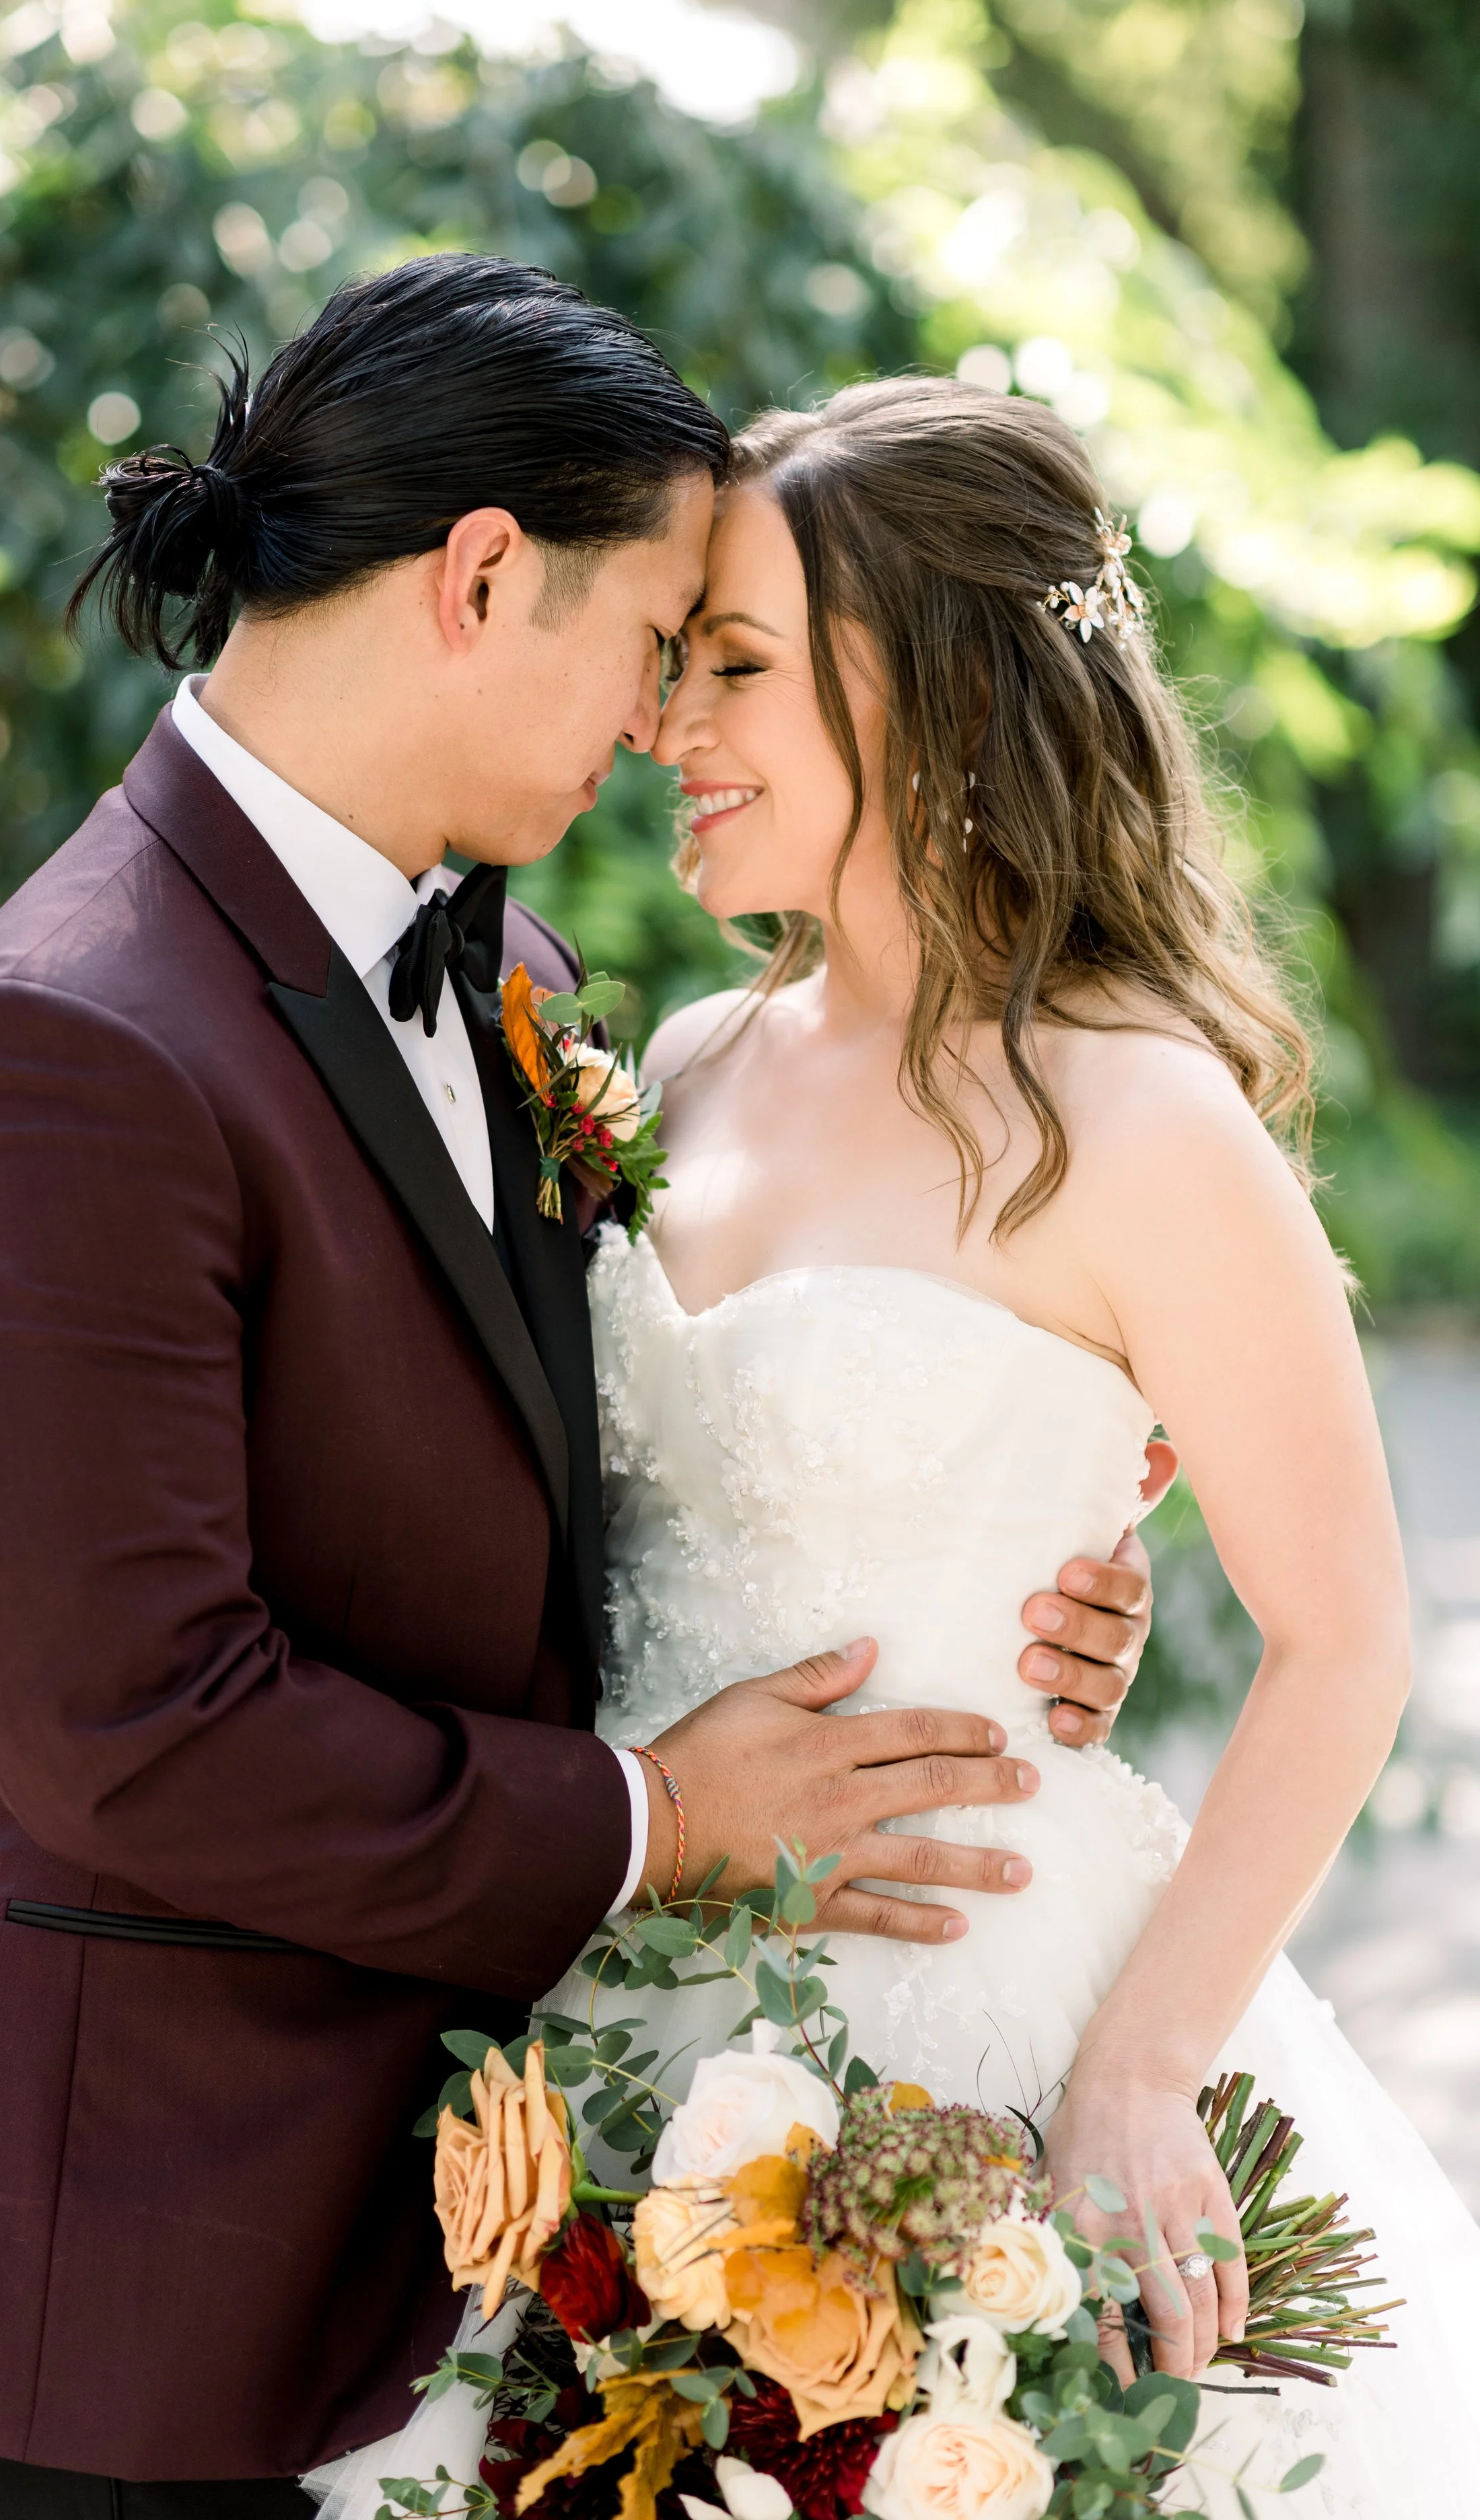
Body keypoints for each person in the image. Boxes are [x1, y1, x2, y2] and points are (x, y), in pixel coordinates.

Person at [0, 264, 1152, 2518]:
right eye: (655, 644)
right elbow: (132, 1721)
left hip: (462, 2224)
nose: (657, 723)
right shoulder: (70, 1047)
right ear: (486, 575)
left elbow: (610, 1449)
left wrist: (1008, 1582)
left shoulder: (500, 962)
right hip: (134, 2278)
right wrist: (658, 1824)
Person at [383, 377, 1480, 2515]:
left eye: (737, 666)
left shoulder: (1135, 1121)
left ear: (931, 693)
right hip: (615, 1991)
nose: (667, 722)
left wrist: (1140, 2065)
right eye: (674, 658)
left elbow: (1345, 1638)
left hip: (980, 2014)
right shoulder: (673, 1068)